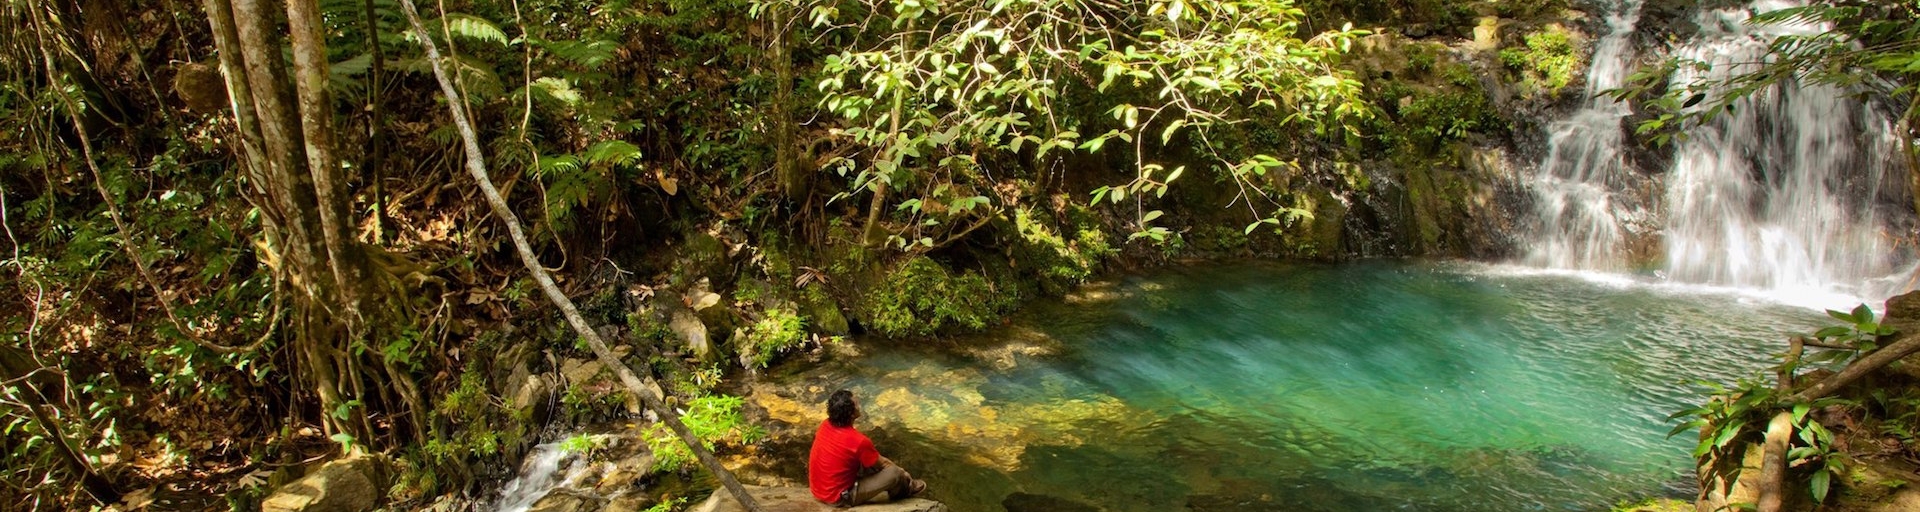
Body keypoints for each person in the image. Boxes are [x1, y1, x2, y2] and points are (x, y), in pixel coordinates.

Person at [808, 389, 926, 507]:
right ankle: (905, 490)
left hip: (818, 490)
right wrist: (903, 473)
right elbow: (886, 465)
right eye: (857, 404)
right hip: (840, 497)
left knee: (869, 459)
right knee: (894, 473)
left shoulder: (825, 425)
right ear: (851, 414)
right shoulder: (858, 441)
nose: (859, 405)